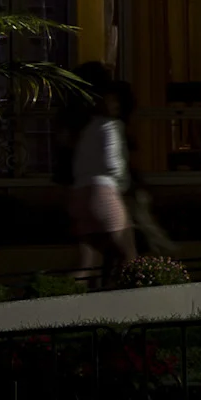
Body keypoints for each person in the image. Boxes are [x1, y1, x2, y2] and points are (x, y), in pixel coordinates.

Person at [68, 74, 138, 277]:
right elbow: (112, 163)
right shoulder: (111, 126)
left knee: (88, 261)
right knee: (129, 252)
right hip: (104, 191)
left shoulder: (88, 127)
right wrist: (122, 185)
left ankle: (59, 299)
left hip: (79, 193)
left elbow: (77, 164)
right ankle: (133, 301)